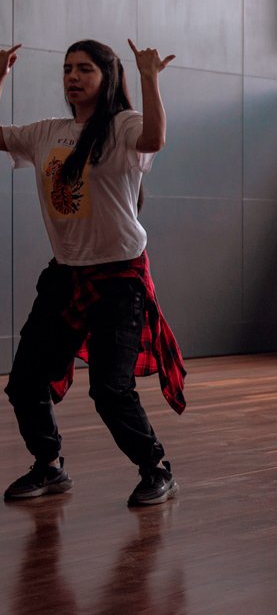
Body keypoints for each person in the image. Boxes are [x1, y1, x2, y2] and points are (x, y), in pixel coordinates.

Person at [0, 39, 186, 506]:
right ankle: (49, 466)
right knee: (24, 382)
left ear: (107, 77)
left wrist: (149, 77)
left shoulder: (122, 126)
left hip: (119, 279)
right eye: (68, 69)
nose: (73, 77)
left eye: (85, 69)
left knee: (109, 389)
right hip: (66, 277)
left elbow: (155, 140)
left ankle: (156, 469)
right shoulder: (48, 132)